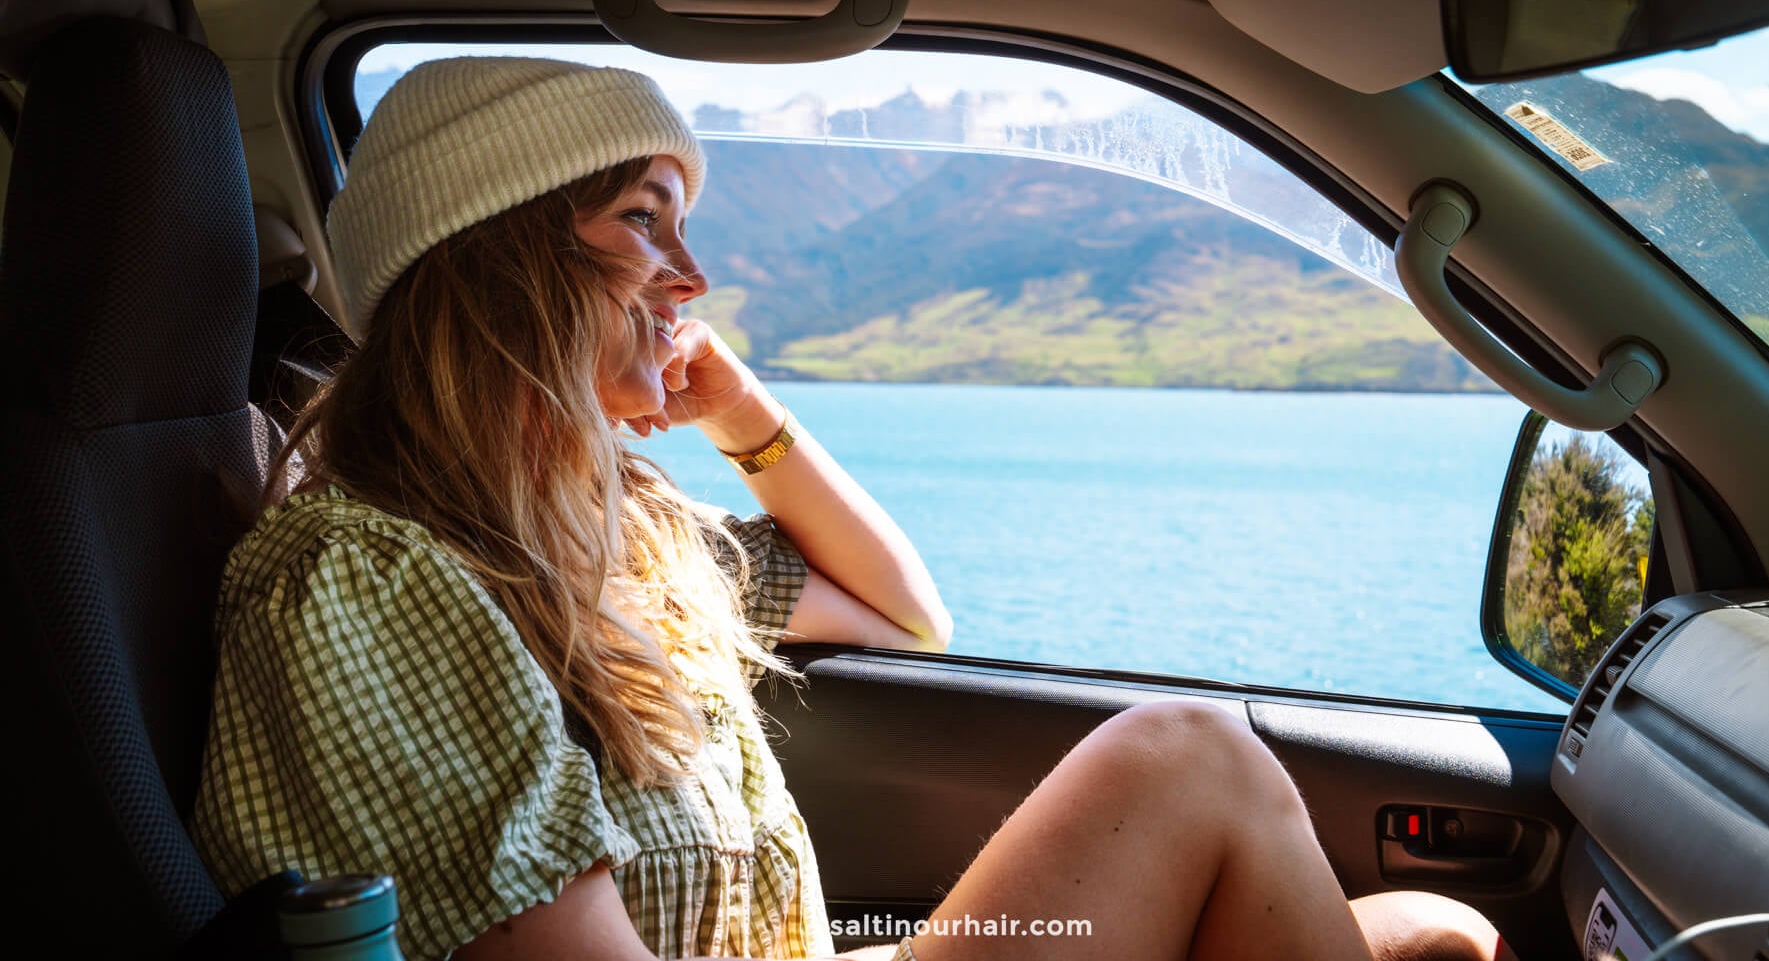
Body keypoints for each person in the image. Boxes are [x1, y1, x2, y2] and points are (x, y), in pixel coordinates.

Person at [191, 57, 1512, 961]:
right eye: (648, 220)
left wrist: (743, 420)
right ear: (508, 261)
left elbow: (901, 611)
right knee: (1190, 760)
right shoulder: (365, 576)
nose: (694, 272)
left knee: (1436, 936)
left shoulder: (621, 539)